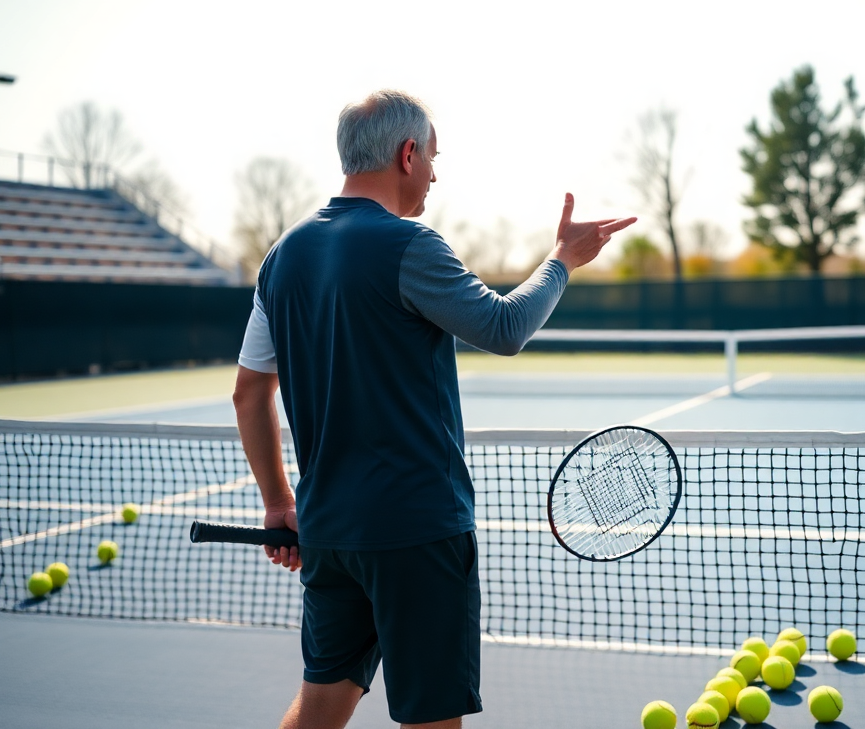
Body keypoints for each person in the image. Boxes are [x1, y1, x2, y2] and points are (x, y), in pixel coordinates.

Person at [232, 89, 634, 729]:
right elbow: (504, 329)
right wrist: (561, 262)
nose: (436, 176)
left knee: (319, 708)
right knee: (432, 720)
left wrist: (280, 503)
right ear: (407, 153)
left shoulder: (281, 258)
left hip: (329, 530)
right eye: (433, 158)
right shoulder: (410, 244)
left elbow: (249, 392)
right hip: (416, 531)